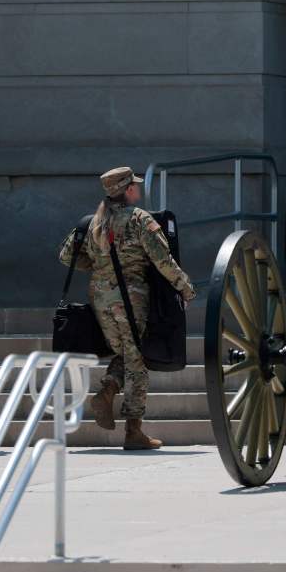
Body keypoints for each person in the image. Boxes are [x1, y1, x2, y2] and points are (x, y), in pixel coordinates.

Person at [57, 167, 195, 450]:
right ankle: (133, 430)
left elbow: (66, 256)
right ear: (128, 189)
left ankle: (108, 390)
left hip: (100, 298)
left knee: (126, 353)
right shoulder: (139, 219)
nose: (138, 189)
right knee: (137, 362)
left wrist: (100, 267)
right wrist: (185, 287)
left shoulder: (94, 221)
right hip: (131, 298)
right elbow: (162, 260)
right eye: (135, 185)